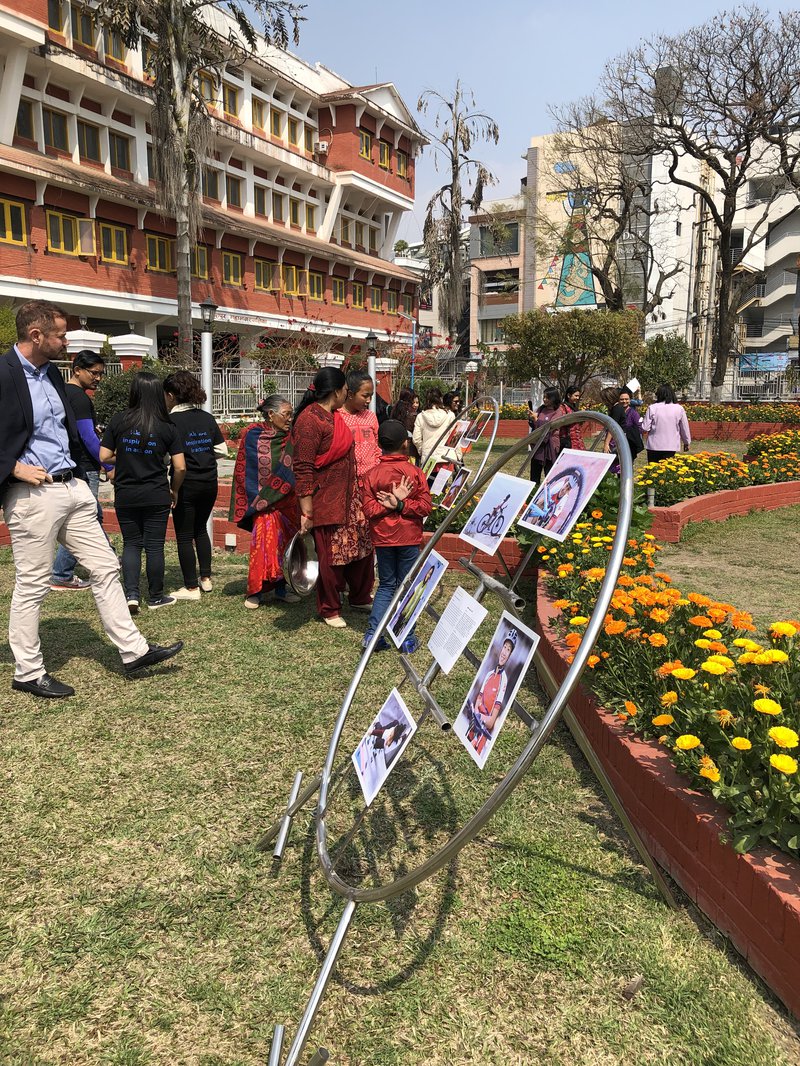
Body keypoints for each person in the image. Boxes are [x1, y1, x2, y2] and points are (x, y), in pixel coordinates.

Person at [0, 301, 181, 698]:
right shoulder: (4, 374)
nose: (67, 341)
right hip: (32, 493)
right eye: (61, 334)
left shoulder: (53, 377)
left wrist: (85, 479)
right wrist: (14, 468)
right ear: (36, 335)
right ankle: (28, 671)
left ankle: (133, 651)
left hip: (73, 487)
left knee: (103, 567)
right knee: (33, 583)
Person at [292, 367, 374, 628]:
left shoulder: (334, 416)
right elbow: (303, 467)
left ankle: (359, 596)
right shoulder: (310, 420)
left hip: (350, 497)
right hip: (325, 499)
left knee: (361, 547)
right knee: (331, 555)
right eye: (346, 392)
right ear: (337, 391)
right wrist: (307, 512)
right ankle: (330, 608)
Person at [100, 372, 186, 613]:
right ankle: (156, 597)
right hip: (156, 493)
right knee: (155, 546)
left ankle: (132, 595)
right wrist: (175, 490)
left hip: (126, 493)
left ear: (134, 392)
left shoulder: (119, 420)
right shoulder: (167, 426)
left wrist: (125, 456)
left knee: (131, 544)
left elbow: (104, 456)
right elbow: (180, 466)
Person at [361, 419, 432, 652]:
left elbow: (369, 510)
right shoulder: (415, 473)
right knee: (407, 585)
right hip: (408, 538)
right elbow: (424, 507)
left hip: (382, 538)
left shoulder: (371, 475)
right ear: (405, 444)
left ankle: (373, 634)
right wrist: (399, 504)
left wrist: (392, 504)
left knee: (386, 585)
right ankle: (406, 636)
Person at [50, 350, 113, 591]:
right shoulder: (79, 398)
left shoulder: (62, 392)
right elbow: (87, 435)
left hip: (69, 463)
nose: (98, 378)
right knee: (84, 519)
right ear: (77, 369)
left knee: (90, 516)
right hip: (85, 466)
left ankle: (107, 556)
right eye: (93, 373)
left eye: (101, 374)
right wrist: (107, 464)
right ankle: (61, 573)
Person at [230, 394, 300, 608]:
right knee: (263, 546)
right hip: (262, 502)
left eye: (291, 415)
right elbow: (245, 471)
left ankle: (281, 589)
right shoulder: (253, 435)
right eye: (286, 415)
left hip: (287, 504)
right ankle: (256, 591)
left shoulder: (291, 438)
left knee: (284, 547)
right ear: (271, 414)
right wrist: (261, 497)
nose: (289, 419)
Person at [162, 370, 227, 601]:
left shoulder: (170, 421)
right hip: (210, 481)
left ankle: (190, 587)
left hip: (185, 484)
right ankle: (206, 579)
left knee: (183, 535)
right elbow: (222, 450)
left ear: (171, 395)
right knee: (201, 529)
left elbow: (167, 458)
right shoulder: (206, 417)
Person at [463, 628, 517, 755]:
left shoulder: (503, 680)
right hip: (473, 725)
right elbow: (479, 699)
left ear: (510, 655)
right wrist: (475, 713)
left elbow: (491, 721)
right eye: (504, 647)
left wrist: (480, 718)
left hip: (482, 733)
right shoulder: (488, 674)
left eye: (508, 650)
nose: (504, 652)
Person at [338, 371, 381, 478]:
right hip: (345, 480)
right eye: (365, 396)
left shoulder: (371, 416)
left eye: (371, 396)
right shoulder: (337, 416)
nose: (369, 400)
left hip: (370, 479)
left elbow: (377, 446)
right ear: (351, 394)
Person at [641, 383, 692, 462]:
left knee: (653, 471)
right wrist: (686, 442)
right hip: (671, 445)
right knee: (666, 471)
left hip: (654, 446)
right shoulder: (679, 409)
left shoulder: (652, 408)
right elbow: (684, 428)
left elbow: (645, 427)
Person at [412, 388, 457, 472]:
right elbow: (454, 436)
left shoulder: (420, 416)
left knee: (428, 484)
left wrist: (423, 450)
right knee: (444, 484)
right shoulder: (450, 415)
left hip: (428, 458)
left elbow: (416, 439)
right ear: (440, 398)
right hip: (446, 457)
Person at [528, 387, 564, 484]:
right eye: (544, 397)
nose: (545, 399)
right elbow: (534, 425)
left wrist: (536, 420)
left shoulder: (558, 411)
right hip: (538, 446)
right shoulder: (541, 409)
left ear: (554, 398)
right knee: (535, 473)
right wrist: (531, 419)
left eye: (548, 397)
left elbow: (551, 427)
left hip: (550, 446)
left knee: (549, 474)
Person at [603, 386, 643, 467]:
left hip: (627, 440)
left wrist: (606, 443)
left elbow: (612, 426)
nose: (624, 401)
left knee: (623, 465)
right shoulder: (617, 408)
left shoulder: (632, 413)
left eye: (626, 399)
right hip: (619, 439)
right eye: (622, 399)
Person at [559, 385, 585, 452]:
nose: (577, 398)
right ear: (568, 395)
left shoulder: (573, 407)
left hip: (577, 440)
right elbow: (563, 421)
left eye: (578, 396)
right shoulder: (562, 407)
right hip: (569, 440)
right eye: (576, 396)